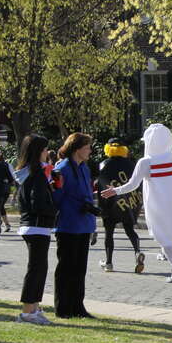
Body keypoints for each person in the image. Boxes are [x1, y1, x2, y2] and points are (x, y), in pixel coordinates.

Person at [102, 124, 172, 282]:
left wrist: (115, 191)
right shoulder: (171, 157)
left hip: (156, 204)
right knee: (167, 237)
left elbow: (132, 185)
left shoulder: (145, 162)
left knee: (162, 238)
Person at [51, 133, 97, 318]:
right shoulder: (63, 168)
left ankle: (78, 306)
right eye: (87, 147)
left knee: (80, 269)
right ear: (77, 148)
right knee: (66, 269)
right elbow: (57, 197)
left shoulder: (84, 167)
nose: (90, 151)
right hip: (68, 224)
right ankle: (63, 308)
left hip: (84, 223)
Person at [14, 135, 58, 325]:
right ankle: (27, 312)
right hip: (36, 225)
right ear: (38, 151)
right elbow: (37, 201)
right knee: (36, 269)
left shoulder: (31, 171)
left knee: (40, 268)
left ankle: (35, 308)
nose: (47, 153)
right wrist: (54, 209)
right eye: (45, 149)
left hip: (35, 225)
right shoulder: (36, 173)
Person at [96, 139, 144, 273]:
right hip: (127, 203)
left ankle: (109, 262)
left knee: (109, 233)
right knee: (130, 230)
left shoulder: (103, 164)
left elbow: (100, 184)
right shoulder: (131, 164)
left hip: (110, 204)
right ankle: (137, 252)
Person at [0, 150, 16, 233]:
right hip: (5, 189)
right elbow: (13, 177)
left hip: (0, 189)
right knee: (0, 206)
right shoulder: (7, 165)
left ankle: (1, 224)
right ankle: (5, 224)